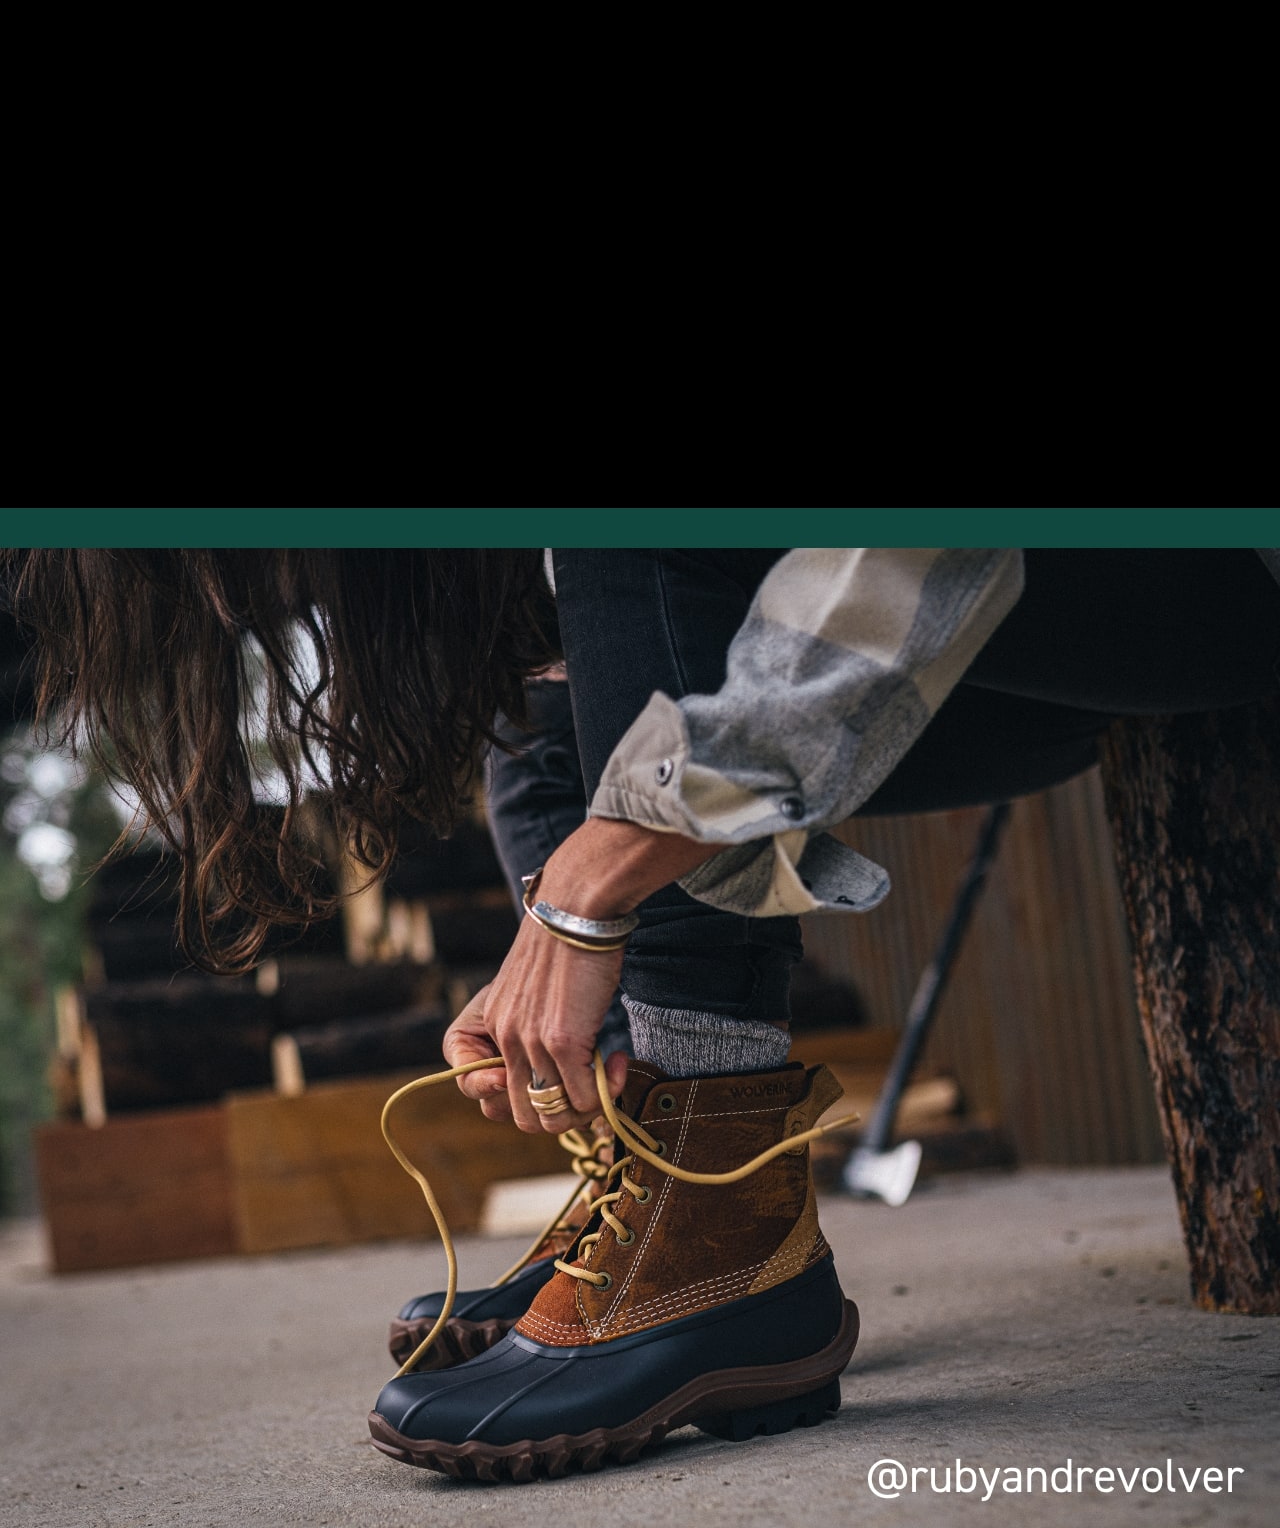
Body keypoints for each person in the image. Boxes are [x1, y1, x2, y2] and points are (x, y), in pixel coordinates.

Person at [5, 544, 1279, 1484]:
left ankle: (719, 1218)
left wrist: (594, 886)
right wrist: (602, 1010)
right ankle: (694, 1173)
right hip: (995, 658)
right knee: (529, 624)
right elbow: (556, 709)